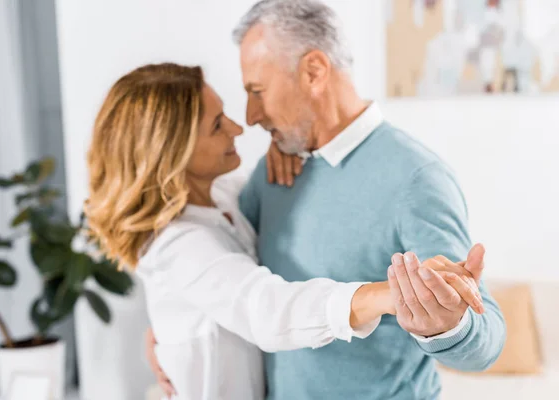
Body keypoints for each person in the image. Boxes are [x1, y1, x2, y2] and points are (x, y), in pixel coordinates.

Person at [145, 1, 508, 399]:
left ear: (314, 72)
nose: (249, 116)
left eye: (257, 91)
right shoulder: (274, 172)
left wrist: (448, 322)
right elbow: (226, 275)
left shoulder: (416, 179)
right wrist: (168, 333)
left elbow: (484, 338)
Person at [85, 63, 484, 400]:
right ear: (172, 153)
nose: (238, 129)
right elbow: (267, 309)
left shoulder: (224, 195)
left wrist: (288, 147)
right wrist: (390, 293)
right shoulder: (177, 243)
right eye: (217, 125)